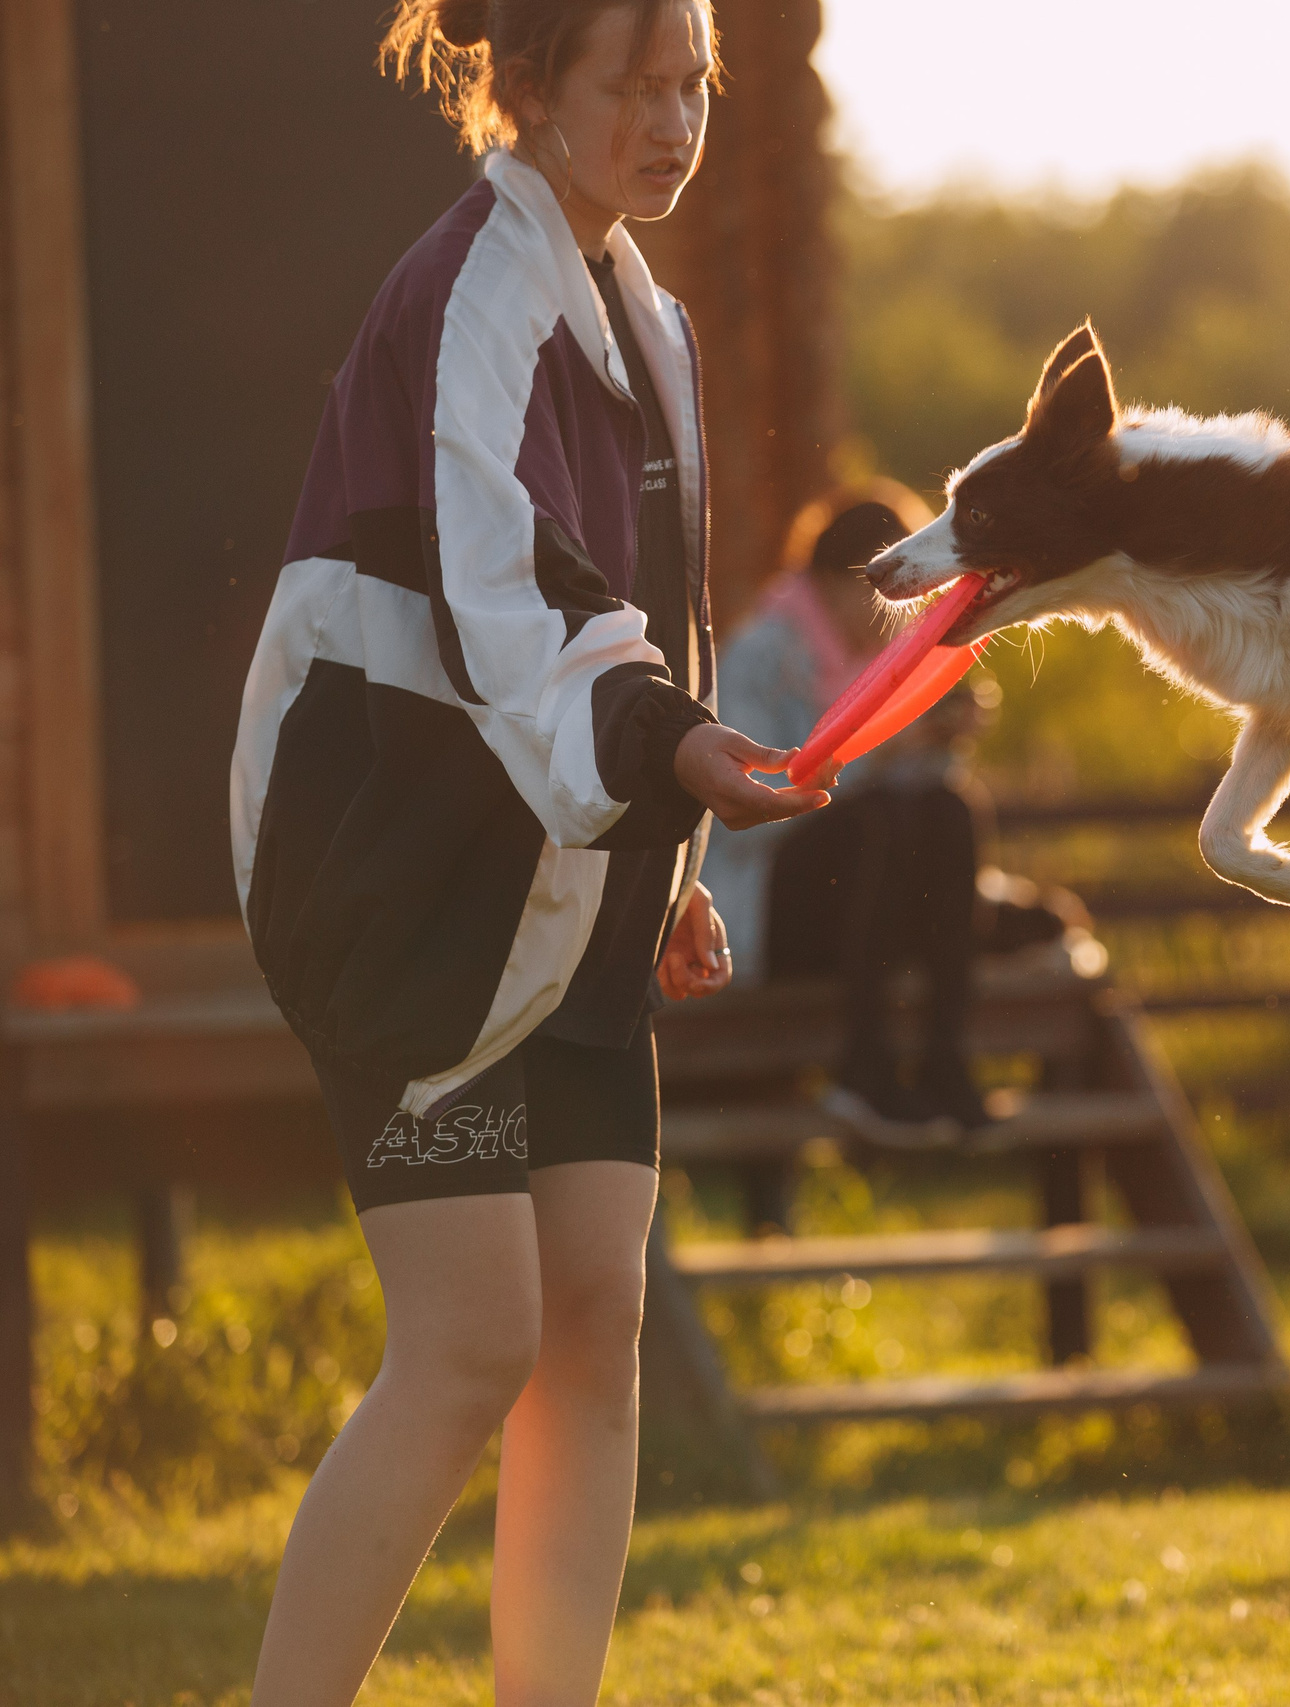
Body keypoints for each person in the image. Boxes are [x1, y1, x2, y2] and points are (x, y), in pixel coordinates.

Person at [226, 3, 831, 1700]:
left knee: (595, 1335)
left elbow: (658, 617)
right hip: (404, 884)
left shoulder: (654, 320)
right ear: (531, 86)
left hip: (566, 895)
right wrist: (681, 761)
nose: (674, 119)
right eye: (634, 86)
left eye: (695, 85)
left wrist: (671, 870)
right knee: (475, 1335)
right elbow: (520, 618)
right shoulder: (470, 300)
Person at [704, 492, 1069, 1141]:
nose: (895, 610)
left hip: (870, 916)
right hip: (774, 910)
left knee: (950, 809)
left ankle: (945, 1061)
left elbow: (917, 814)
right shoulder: (759, 654)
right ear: (833, 582)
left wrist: (939, 738)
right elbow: (752, 805)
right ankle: (860, 1072)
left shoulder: (885, 660)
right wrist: (884, 751)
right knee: (871, 822)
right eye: (884, 589)